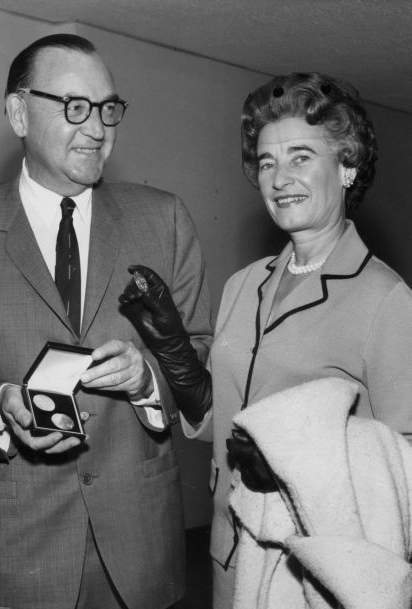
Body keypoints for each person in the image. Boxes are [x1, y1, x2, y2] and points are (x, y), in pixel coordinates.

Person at [0, 34, 212, 609]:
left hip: (141, 549)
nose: (97, 128)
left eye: (108, 108)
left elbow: (199, 351)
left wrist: (149, 380)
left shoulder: (164, 218)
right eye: (75, 107)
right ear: (19, 112)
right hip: (10, 554)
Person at [121, 72, 412, 608]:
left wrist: (290, 461)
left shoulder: (386, 299)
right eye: (266, 162)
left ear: (347, 166)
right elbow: (220, 421)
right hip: (232, 550)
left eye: (301, 157)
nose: (280, 178)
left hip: (316, 572)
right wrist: (172, 351)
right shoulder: (244, 284)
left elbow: (404, 468)